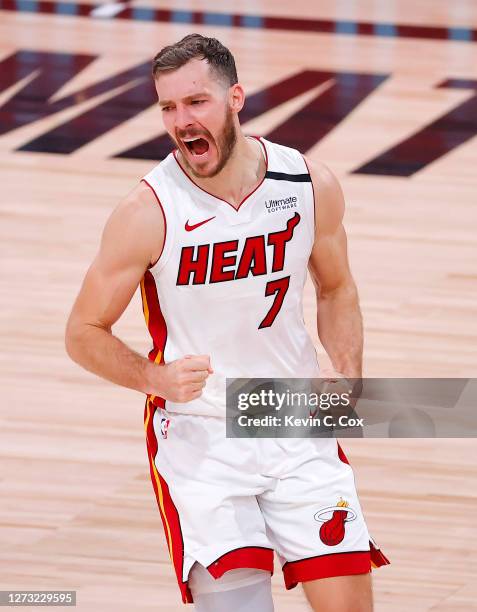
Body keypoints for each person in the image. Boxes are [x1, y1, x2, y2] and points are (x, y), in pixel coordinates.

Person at [65, 33, 389, 612]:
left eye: (196, 102)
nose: (181, 120)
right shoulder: (148, 212)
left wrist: (348, 374)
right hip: (203, 439)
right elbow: (82, 332)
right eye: (168, 106)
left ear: (235, 98)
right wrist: (153, 378)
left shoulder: (308, 184)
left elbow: (337, 288)